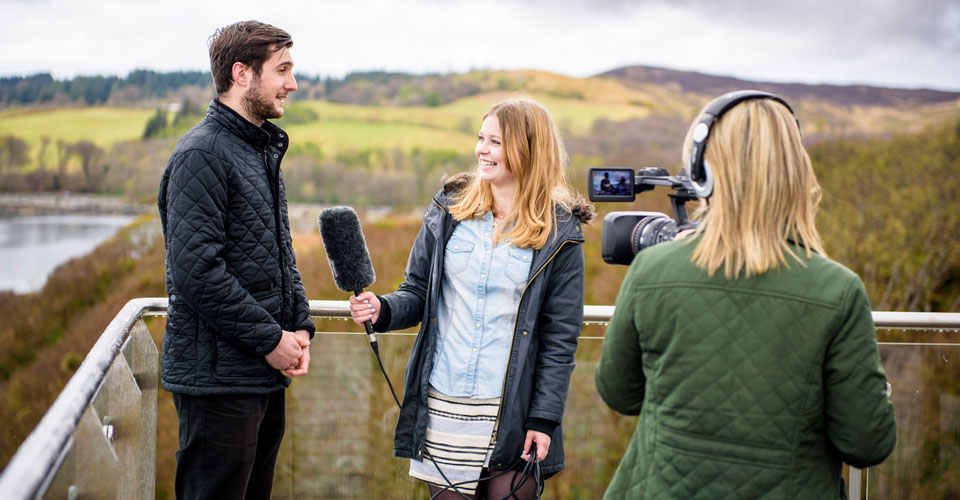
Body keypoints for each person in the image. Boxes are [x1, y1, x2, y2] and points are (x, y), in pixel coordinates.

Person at [595, 91, 897, 499]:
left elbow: (619, 392)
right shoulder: (839, 290)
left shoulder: (652, 269)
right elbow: (867, 442)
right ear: (798, 173)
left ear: (704, 174)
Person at [350, 98, 593, 499]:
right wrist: (383, 308)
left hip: (512, 413)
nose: (482, 149)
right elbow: (415, 292)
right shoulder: (448, 210)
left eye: (495, 142)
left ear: (527, 148)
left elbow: (560, 337)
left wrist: (544, 420)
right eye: (481, 138)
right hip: (444, 405)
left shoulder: (560, 232)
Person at [157, 21, 315, 500]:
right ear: (241, 73)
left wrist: (301, 323)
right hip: (217, 380)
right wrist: (271, 339)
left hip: (259, 374)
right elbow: (196, 273)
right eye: (282, 70)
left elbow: (277, 254)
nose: (292, 83)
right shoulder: (201, 153)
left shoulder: (257, 149)